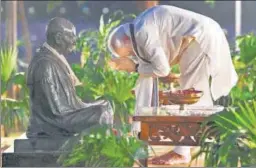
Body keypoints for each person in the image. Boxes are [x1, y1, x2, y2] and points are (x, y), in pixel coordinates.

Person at [107, 5, 238, 165]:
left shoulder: (143, 33)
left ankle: (185, 151)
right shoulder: (140, 25)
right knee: (191, 92)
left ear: (128, 43)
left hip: (202, 37)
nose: (134, 56)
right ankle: (187, 148)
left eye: (131, 54)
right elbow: (163, 62)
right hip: (197, 37)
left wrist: (134, 67)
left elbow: (162, 69)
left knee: (193, 92)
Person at [26, 17, 114, 138]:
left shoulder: (55, 58)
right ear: (58, 38)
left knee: (105, 103)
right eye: (71, 36)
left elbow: (69, 103)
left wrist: (85, 105)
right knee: (100, 112)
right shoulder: (44, 64)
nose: (74, 41)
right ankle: (99, 148)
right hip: (51, 124)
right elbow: (54, 112)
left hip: (65, 113)